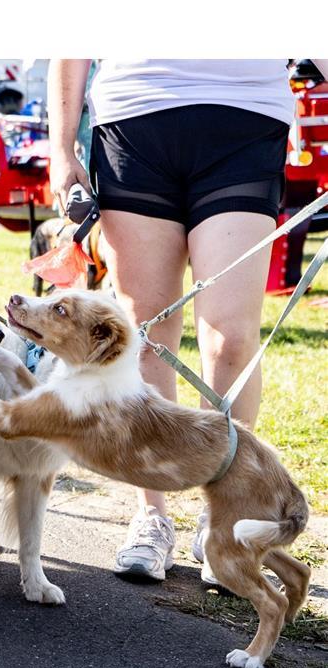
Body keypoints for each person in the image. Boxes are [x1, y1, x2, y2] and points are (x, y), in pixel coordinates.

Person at [49, 58, 328, 583]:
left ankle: (225, 522)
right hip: (134, 120)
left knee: (231, 339)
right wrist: (61, 149)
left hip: (244, 120)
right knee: (147, 336)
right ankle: (151, 515)